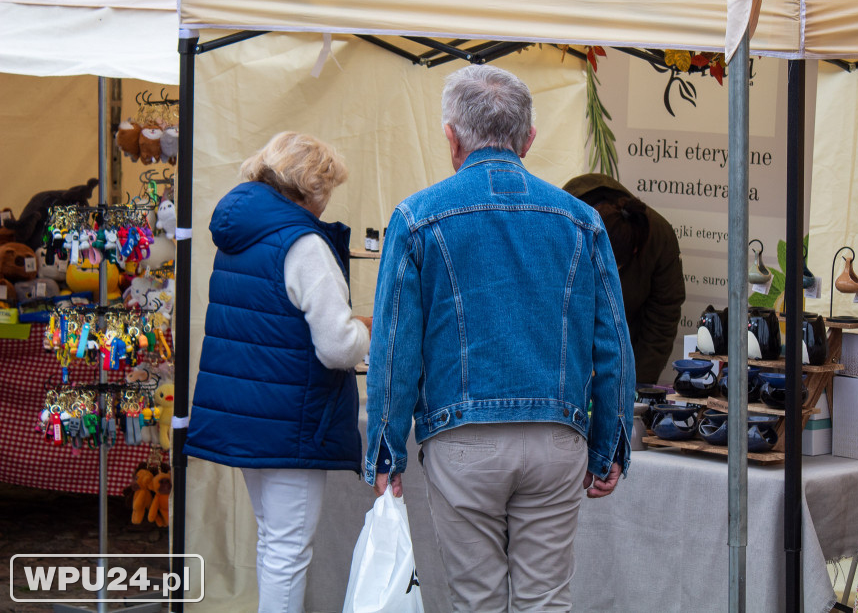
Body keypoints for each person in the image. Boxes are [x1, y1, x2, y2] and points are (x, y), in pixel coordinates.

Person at [364, 64, 634, 612]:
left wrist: (387, 448)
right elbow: (613, 346)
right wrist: (611, 444)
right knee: (545, 602)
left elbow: (394, 349)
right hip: (558, 439)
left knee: (477, 602)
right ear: (529, 138)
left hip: (462, 440)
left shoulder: (416, 218)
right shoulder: (582, 221)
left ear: (451, 136)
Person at [183, 131, 371, 613]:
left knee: (273, 542)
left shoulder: (240, 233)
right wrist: (373, 329)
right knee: (288, 550)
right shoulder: (303, 242)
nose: (328, 201)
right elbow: (337, 347)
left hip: (247, 413)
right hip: (293, 418)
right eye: (328, 187)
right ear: (313, 186)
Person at [563, 174, 686, 384]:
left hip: (626, 350)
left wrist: (634, 387)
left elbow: (661, 320)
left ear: (635, 250)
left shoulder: (659, 239)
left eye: (614, 267)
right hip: (566, 350)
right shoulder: (560, 224)